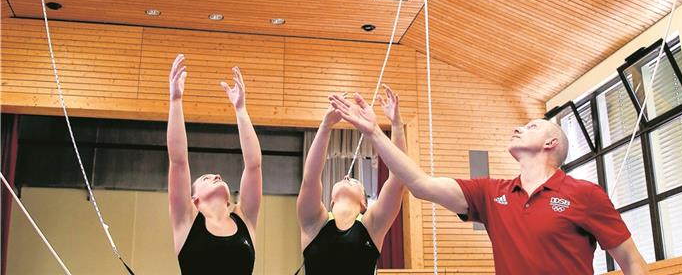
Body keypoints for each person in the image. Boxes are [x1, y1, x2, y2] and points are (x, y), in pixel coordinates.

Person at [330, 94, 651, 275]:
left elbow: (632, 262)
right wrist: (375, 132)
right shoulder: (491, 193)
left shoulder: (585, 195)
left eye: (531, 125)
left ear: (551, 142)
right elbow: (418, 183)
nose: (518, 127)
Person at [167, 54, 262, 275]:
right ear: (194, 199)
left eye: (216, 176)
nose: (217, 175)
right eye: (206, 178)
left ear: (230, 198)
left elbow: (254, 166)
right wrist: (175, 101)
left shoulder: (245, 219)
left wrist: (241, 111)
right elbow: (178, 161)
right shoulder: (186, 220)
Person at [298, 85, 406, 274]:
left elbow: (398, 180)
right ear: (330, 201)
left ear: (364, 203)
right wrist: (325, 126)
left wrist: (396, 125)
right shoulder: (315, 222)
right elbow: (310, 178)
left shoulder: (372, 225)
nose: (347, 176)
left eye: (355, 181)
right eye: (344, 179)